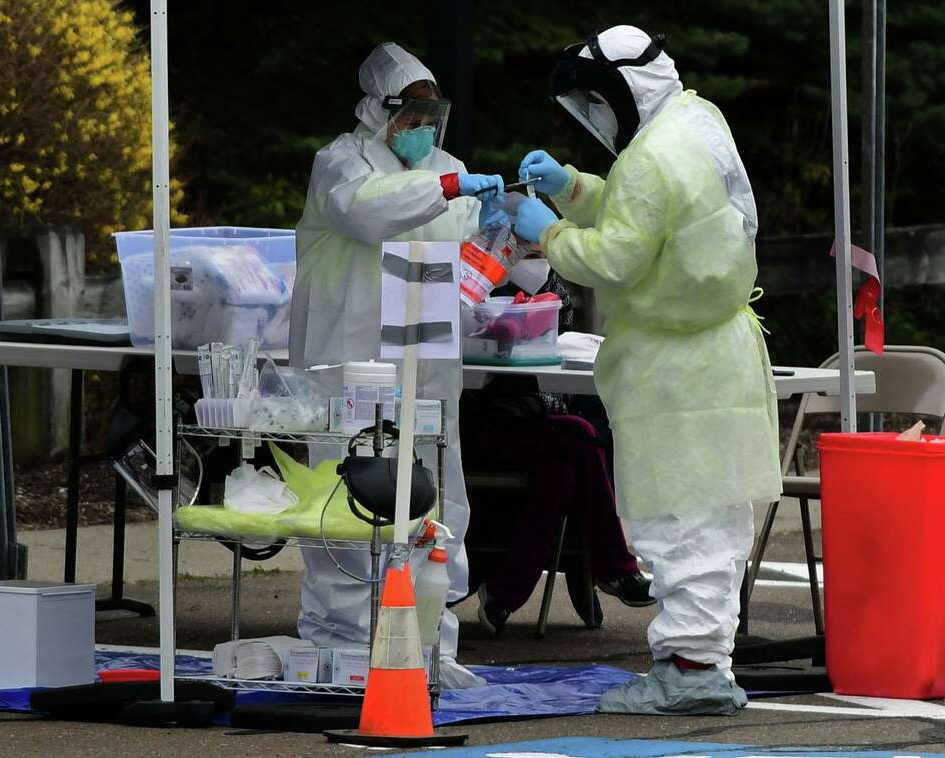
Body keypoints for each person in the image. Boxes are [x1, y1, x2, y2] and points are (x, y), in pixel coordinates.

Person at [513, 25, 781, 715]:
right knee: (714, 519)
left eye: (594, 103)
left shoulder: (650, 158)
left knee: (677, 519)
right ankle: (707, 664)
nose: (594, 118)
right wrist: (575, 188)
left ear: (620, 92)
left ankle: (689, 672)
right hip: (717, 354)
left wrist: (543, 227)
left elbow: (613, 258)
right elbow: (654, 216)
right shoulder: (696, 120)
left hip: (676, 369)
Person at [289, 42, 502, 688]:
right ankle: (345, 648)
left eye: (433, 117)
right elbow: (371, 210)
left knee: (438, 501)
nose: (425, 130)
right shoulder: (341, 165)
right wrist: (448, 189)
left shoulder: (452, 170)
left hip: (426, 368)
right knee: (344, 502)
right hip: (345, 367)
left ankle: (430, 645)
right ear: (378, 110)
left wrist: (513, 227)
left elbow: (483, 254)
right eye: (413, 114)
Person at [461, 267, 653, 636]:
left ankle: (506, 593)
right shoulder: (471, 273)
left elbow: (556, 332)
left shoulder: (548, 281)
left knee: (567, 464)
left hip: (532, 421)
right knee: (577, 439)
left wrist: (539, 278)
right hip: (469, 419)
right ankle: (614, 569)